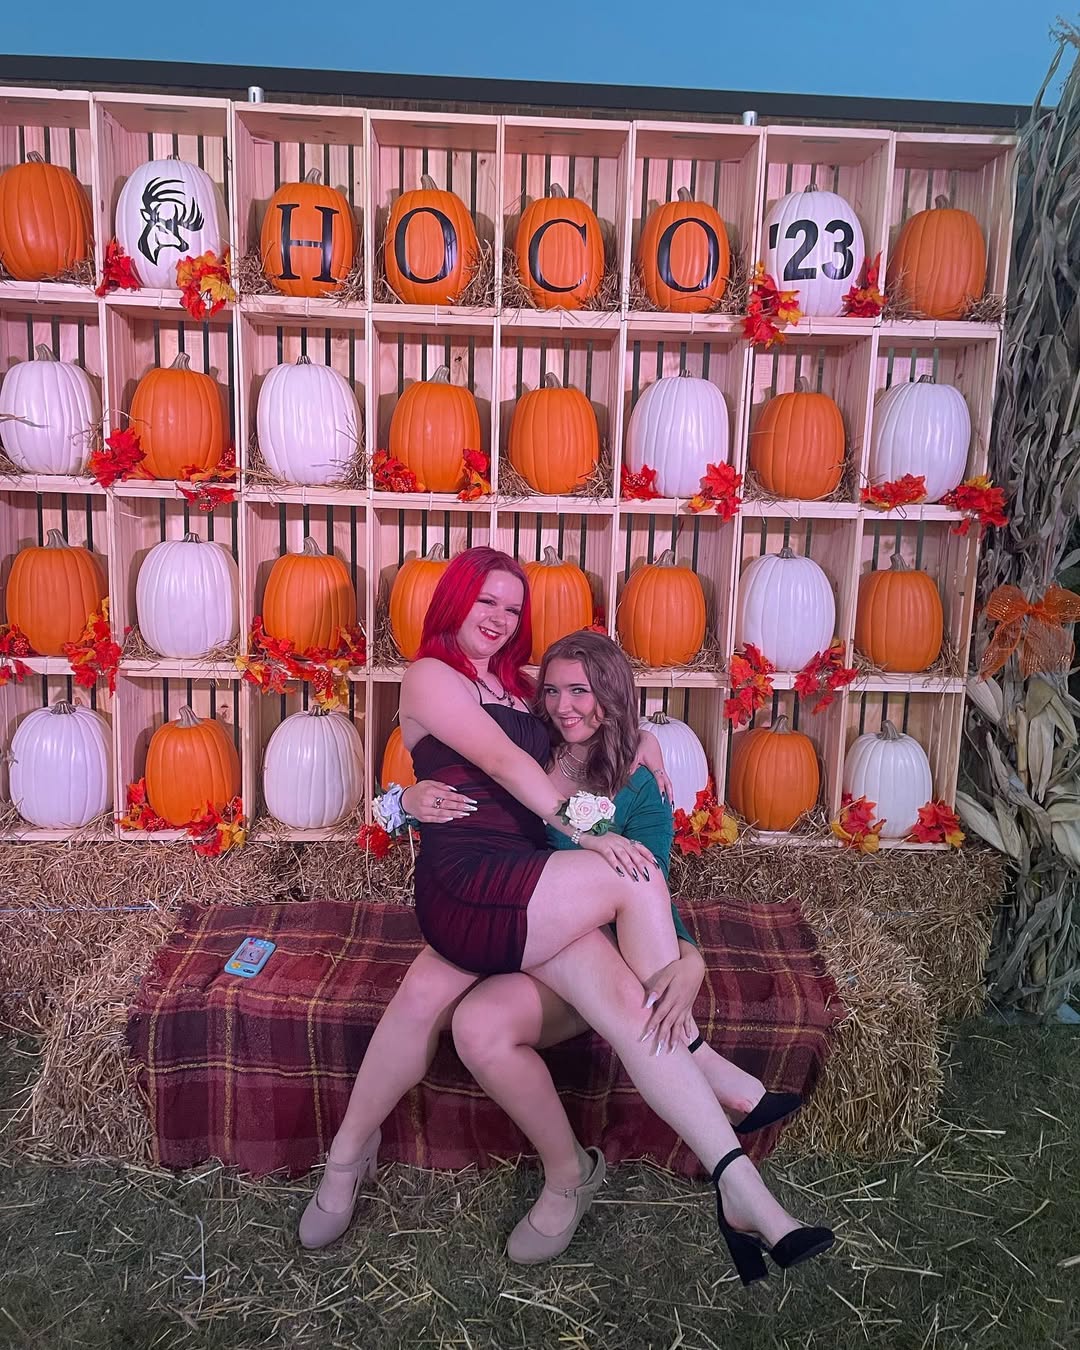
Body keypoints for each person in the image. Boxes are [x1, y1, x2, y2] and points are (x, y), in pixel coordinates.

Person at [298, 547, 832, 1285]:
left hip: (532, 886)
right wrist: (411, 803)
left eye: (512, 608)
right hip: (472, 881)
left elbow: (581, 727)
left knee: (444, 998)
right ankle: (698, 1056)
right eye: (486, 601)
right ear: (454, 600)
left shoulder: (522, 689)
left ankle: (737, 1187)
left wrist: (643, 740)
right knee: (626, 875)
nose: (499, 618)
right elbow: (501, 765)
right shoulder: (429, 675)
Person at [418, 630, 801, 1263]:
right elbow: (460, 773)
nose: (564, 706)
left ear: (612, 695)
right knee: (475, 1028)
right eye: (553, 691)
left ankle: (741, 1187)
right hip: (525, 938)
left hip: (602, 960)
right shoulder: (528, 750)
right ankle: (574, 1166)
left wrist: (690, 956)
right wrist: (407, 800)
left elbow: (652, 883)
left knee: (627, 922)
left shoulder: (638, 782)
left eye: (582, 691)